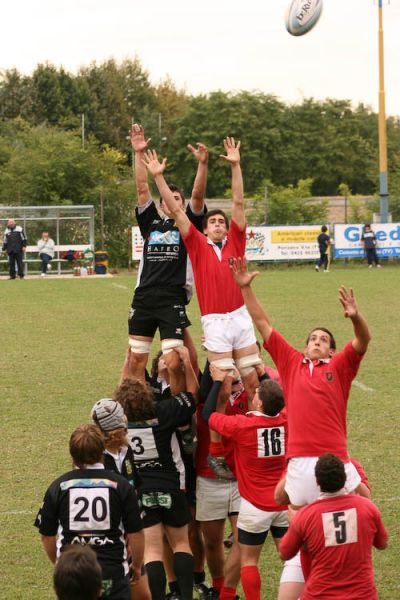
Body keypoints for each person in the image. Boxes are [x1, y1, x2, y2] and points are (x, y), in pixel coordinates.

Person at [230, 257, 371, 509]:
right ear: (305, 347)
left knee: (364, 503)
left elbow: (363, 340)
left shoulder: (340, 366)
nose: (317, 341)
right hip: (300, 456)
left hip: (335, 455)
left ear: (331, 351)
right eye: (313, 338)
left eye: (324, 340)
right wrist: (245, 287)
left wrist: (356, 317)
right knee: (289, 506)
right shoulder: (291, 361)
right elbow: (262, 323)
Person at [142, 138, 261, 399]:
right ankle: (216, 440)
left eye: (222, 221)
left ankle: (255, 429)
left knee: (252, 381)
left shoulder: (236, 243)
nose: (218, 224)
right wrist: (158, 178)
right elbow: (175, 208)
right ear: (204, 228)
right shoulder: (196, 244)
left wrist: (235, 166)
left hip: (240, 317)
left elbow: (239, 203)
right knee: (222, 388)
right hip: (214, 321)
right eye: (213, 221)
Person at [115, 346, 199, 600]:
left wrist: (127, 362)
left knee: (152, 551)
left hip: (142, 489)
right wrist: (186, 361)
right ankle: (186, 596)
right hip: (171, 486)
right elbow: (192, 396)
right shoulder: (162, 412)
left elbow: (118, 394)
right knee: (181, 544)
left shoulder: (121, 422)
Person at [128, 123, 208, 380]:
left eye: (177, 199)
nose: (172, 201)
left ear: (182, 204)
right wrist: (139, 153)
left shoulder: (189, 227)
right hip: (144, 295)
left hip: (172, 296)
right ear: (161, 203)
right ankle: (140, 410)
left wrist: (202, 165)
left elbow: (197, 195)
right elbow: (142, 188)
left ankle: (179, 414)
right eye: (167, 198)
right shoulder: (151, 221)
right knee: (136, 358)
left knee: (173, 361)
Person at [34, 424, 145, 600]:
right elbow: (136, 532)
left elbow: (47, 536)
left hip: (72, 576)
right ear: (102, 450)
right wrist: (137, 566)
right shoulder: (121, 486)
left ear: (72, 454)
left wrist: (60, 565)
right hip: (113, 573)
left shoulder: (58, 487)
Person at [204, 377, 289, 600]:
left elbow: (208, 417)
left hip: (255, 506)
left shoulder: (243, 425)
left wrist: (217, 382)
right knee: (292, 560)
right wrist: (262, 376)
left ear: (260, 404)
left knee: (249, 561)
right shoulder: (287, 421)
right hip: (282, 503)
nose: (254, 395)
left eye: (258, 393)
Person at [279, 453, 388, 599]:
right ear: (345, 478)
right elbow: (382, 543)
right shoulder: (367, 508)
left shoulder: (305, 516)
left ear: (317, 481)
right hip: (360, 592)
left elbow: (285, 551)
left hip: (321, 591)